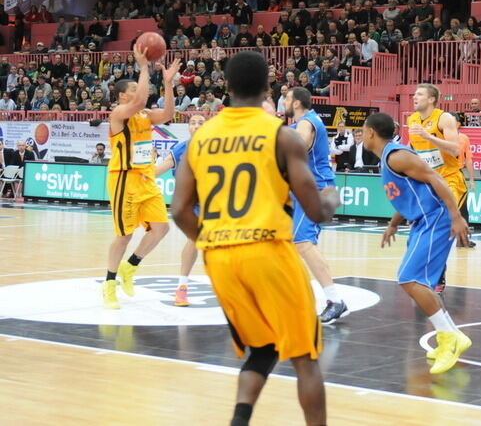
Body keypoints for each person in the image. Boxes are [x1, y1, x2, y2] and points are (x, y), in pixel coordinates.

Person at [171, 51, 339, 426]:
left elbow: (180, 210)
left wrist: (213, 240)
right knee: (305, 358)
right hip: (267, 250)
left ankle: (240, 420)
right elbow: (315, 212)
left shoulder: (200, 138)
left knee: (260, 348)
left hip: (220, 259)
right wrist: (331, 197)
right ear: (268, 89)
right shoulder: (281, 135)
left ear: (226, 88)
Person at [363, 112, 471, 374]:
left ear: (370, 133)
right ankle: (454, 335)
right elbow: (410, 194)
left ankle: (449, 339)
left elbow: (437, 179)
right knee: (417, 282)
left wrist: (456, 216)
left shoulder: (397, 156)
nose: (361, 135)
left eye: (362, 131)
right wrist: (393, 223)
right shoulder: (389, 159)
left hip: (436, 219)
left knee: (409, 279)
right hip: (423, 221)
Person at [102, 44, 181, 310]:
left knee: (162, 228)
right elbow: (140, 101)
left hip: (146, 179)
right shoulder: (118, 114)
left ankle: (130, 267)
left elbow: (169, 114)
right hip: (124, 179)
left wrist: (168, 84)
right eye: (134, 89)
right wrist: (144, 66)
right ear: (123, 96)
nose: (140, 91)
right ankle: (109, 284)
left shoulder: (145, 116)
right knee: (124, 236)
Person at [284, 86, 348, 324]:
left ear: (298, 103)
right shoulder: (298, 124)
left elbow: (297, 145)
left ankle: (335, 300)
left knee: (302, 243)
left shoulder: (307, 123)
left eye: (287, 98)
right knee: (290, 243)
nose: (284, 101)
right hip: (307, 190)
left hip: (314, 190)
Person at [407, 83, 474, 291]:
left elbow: (455, 150)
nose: (414, 97)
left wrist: (429, 137)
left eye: (419, 94)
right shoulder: (412, 119)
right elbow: (415, 150)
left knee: (441, 227)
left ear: (432, 99)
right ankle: (427, 272)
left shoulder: (444, 118)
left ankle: (438, 277)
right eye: (414, 94)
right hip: (427, 181)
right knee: (420, 229)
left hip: (450, 180)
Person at [154, 114, 206, 306]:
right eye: (193, 123)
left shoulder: (217, 145)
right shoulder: (181, 149)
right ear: (188, 128)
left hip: (216, 201)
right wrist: (141, 175)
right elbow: (162, 167)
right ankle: (182, 287)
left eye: (201, 122)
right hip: (192, 203)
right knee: (194, 239)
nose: (196, 125)